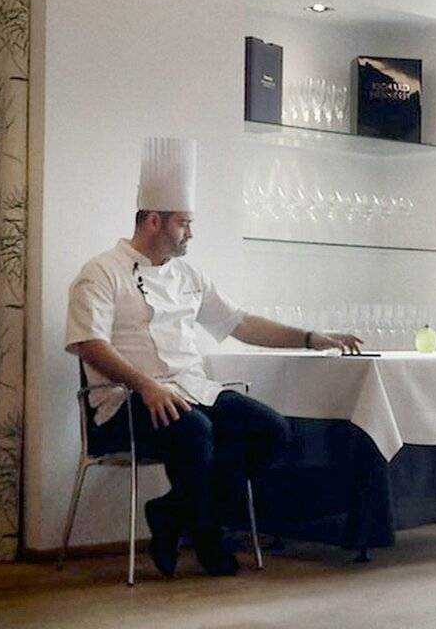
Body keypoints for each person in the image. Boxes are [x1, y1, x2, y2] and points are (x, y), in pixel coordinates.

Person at [64, 137, 362, 577]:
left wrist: (311, 337)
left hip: (192, 391)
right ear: (153, 221)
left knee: (269, 430)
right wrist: (147, 386)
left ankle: (172, 513)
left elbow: (241, 323)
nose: (191, 233)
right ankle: (208, 537)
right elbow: (88, 342)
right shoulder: (101, 272)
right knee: (195, 431)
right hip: (126, 402)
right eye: (184, 223)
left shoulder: (188, 276)